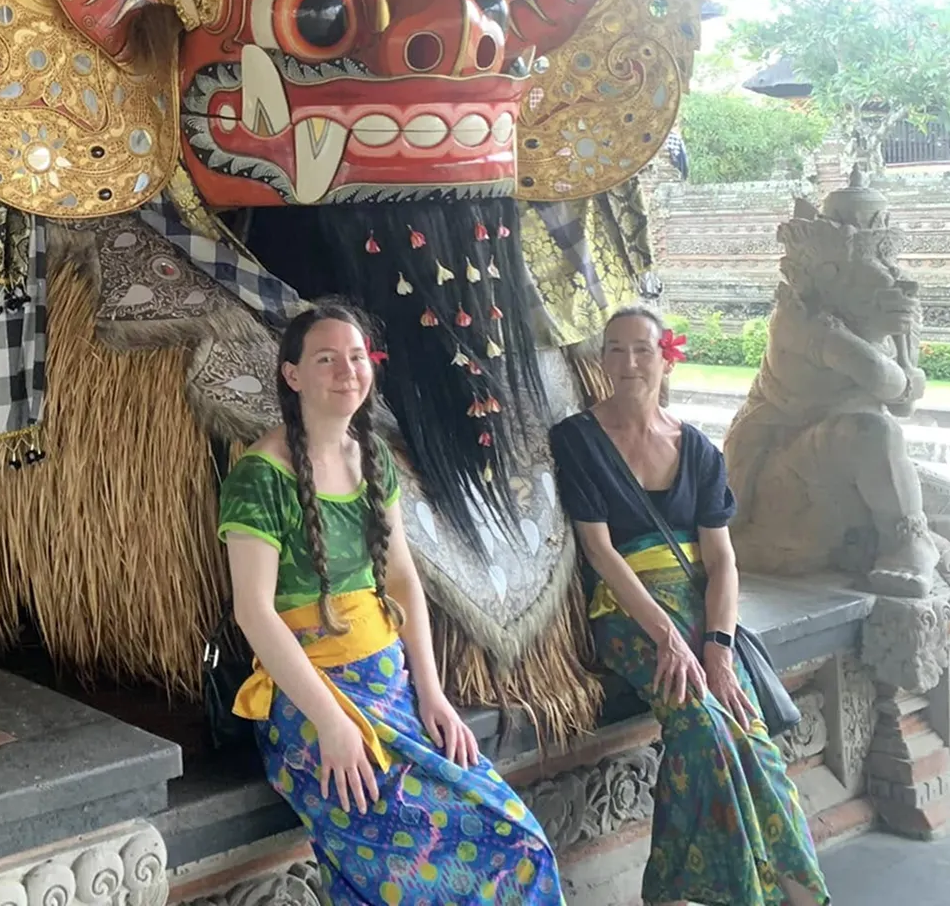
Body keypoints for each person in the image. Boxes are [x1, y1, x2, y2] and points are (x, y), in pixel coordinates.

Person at [218, 301, 564, 906]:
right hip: (313, 703)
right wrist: (331, 723)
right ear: (292, 374)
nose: (346, 371)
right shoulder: (260, 476)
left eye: (356, 357)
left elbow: (401, 579)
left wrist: (431, 693)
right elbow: (255, 612)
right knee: (420, 869)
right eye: (326, 359)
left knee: (518, 838)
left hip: (391, 688)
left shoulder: (373, 455)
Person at [550, 305, 828, 906]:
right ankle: (731, 895)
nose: (628, 362)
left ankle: (799, 894)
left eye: (641, 349)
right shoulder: (577, 440)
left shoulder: (696, 448)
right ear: (602, 360)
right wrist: (666, 637)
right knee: (701, 726)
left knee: (751, 736)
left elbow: (722, 561)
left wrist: (717, 648)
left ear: (665, 358)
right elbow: (599, 551)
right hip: (627, 609)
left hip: (700, 608)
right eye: (615, 349)